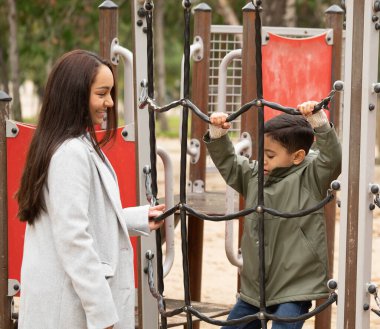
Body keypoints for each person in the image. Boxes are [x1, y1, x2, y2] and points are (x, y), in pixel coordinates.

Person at [16, 49, 164, 329]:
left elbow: (76, 218)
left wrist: (134, 219)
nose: (109, 102)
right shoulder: (71, 153)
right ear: (75, 94)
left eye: (110, 93)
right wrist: (103, 315)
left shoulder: (65, 144)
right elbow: (74, 240)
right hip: (71, 312)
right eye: (102, 93)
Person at [205, 102, 341, 329]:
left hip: (294, 286)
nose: (263, 160)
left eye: (270, 155)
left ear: (297, 156)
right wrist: (218, 134)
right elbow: (229, 163)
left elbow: (332, 159)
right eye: (261, 153)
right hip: (255, 287)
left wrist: (318, 121)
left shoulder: (311, 176)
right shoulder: (253, 175)